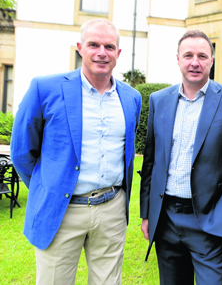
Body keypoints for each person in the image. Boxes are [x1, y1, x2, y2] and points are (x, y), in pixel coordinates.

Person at [10, 19, 142, 284]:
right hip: (61, 210)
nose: (101, 52)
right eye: (93, 44)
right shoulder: (44, 88)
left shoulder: (131, 98)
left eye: (109, 46)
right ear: (80, 47)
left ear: (118, 53)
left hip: (112, 209)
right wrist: (48, 186)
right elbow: (22, 152)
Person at [139, 30, 222, 285]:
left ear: (212, 60)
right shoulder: (159, 100)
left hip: (208, 219)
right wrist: (147, 212)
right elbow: (150, 160)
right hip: (166, 217)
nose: (195, 62)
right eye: (188, 55)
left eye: (202, 56)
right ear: (177, 58)